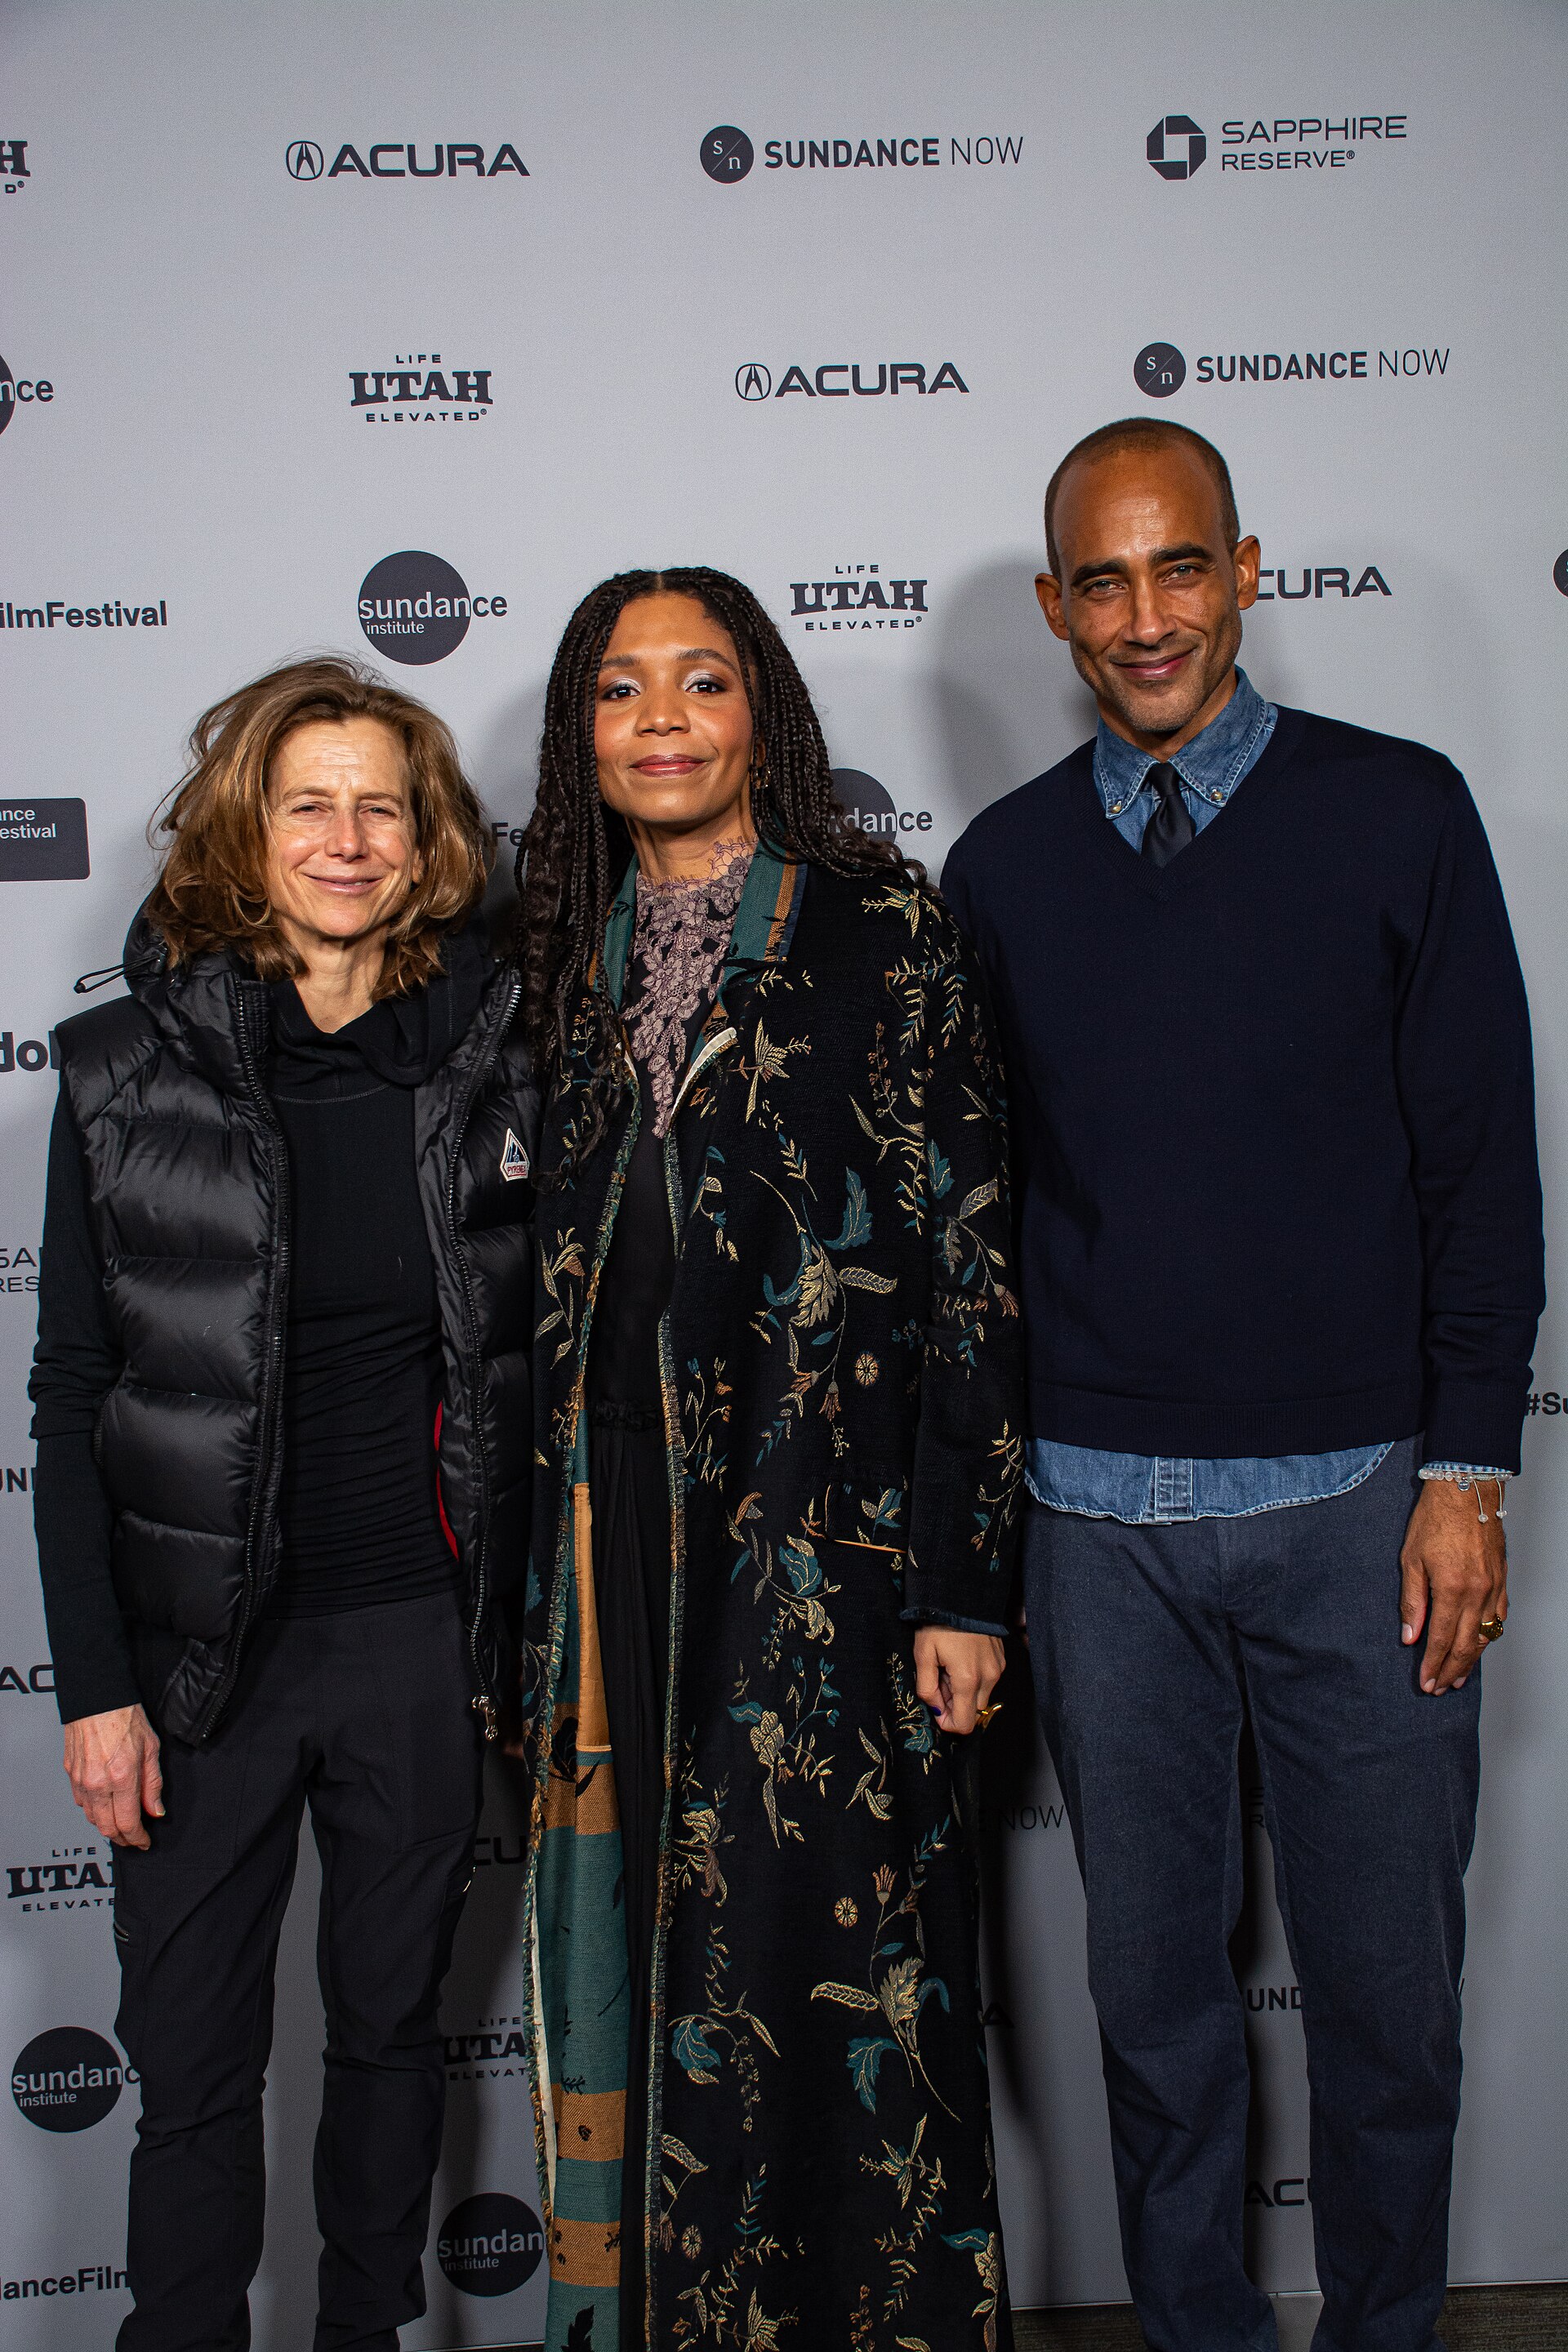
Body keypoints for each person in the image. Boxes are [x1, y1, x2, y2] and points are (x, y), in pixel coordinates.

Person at [942, 418, 1544, 2352]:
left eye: (1179, 566)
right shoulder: (1004, 867)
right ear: (1055, 607)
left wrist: (1469, 1471)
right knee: (1157, 2014)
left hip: (1367, 1512)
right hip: (1098, 1535)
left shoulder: (1399, 812)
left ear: (1245, 569)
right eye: (1101, 581)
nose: (1145, 616)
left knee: (1389, 2003)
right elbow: (984, 1218)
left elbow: (1483, 1167)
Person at [514, 568, 1022, 2351]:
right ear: (581, 734)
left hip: (825, 1548)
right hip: (605, 1538)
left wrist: (964, 1583)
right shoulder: (543, 963)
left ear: (761, 716)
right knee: (643, 1944)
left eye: (701, 681)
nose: (661, 716)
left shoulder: (881, 936)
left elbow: (973, 1275)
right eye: (621, 688)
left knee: (833, 1968)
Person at [29, 655, 539, 2352]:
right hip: (199, 1674)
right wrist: (96, 1687)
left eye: (378, 807)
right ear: (246, 832)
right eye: (306, 804)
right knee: (191, 2077)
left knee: (393, 2047)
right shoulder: (117, 1072)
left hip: (412, 1649)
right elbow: (73, 1398)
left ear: (427, 840)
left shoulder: (491, 1056)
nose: (344, 838)